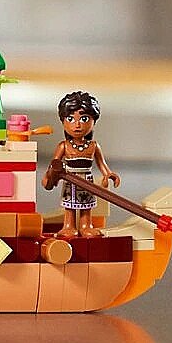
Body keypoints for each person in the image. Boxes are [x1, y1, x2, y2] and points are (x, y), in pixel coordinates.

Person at [43, 90, 120, 239]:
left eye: (84, 118)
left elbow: (102, 164)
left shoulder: (93, 146)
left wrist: (108, 174)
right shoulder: (64, 146)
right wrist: (49, 176)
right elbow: (54, 164)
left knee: (86, 206)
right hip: (69, 179)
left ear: (93, 121)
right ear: (63, 121)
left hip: (87, 180)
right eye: (70, 118)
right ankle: (69, 226)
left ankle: (86, 226)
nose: (77, 125)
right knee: (70, 206)